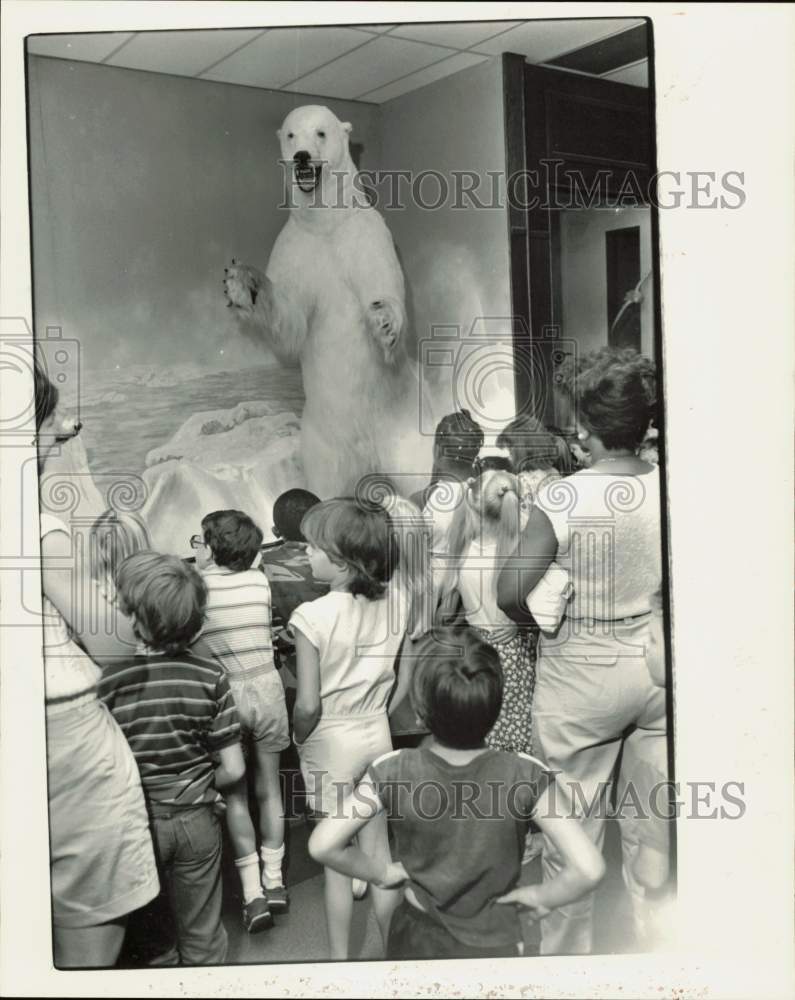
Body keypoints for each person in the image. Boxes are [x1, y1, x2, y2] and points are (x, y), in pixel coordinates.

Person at [497, 346, 666, 955]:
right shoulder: (672, 486)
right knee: (654, 828)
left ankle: (567, 965)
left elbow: (509, 592)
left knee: (571, 827)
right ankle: (659, 949)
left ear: (586, 428)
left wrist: (551, 612)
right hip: (658, 664)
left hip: (580, 671)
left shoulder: (564, 497)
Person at [307, 627, 606, 960]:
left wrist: (382, 873)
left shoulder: (392, 768)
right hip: (496, 940)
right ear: (494, 710)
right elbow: (588, 868)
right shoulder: (525, 773)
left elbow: (323, 844)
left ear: (419, 714)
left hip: (418, 935)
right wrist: (542, 896)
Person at [34, 360, 159, 968]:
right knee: (87, 942)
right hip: (67, 741)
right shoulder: (42, 530)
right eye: (51, 429)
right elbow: (113, 645)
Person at [98, 552, 244, 965]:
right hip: (196, 821)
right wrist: (198, 788)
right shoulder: (210, 677)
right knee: (203, 936)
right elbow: (233, 768)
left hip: (135, 823)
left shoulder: (108, 680)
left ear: (132, 617)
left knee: (153, 942)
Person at [289, 497, 407, 959]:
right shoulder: (398, 599)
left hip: (329, 740)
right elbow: (400, 673)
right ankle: (396, 952)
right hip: (376, 731)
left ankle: (340, 963)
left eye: (312, 547)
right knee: (378, 853)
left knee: (336, 861)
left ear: (340, 561)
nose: (305, 554)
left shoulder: (311, 617)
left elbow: (308, 703)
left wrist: (302, 737)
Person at [191, 510, 290, 933]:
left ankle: (252, 895)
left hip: (226, 694)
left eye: (201, 541)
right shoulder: (260, 581)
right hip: (267, 688)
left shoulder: (199, 587)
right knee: (270, 789)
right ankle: (276, 881)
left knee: (235, 795)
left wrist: (198, 570)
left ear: (211, 548)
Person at [433, 469, 537, 755]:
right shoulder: (522, 553)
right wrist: (522, 625)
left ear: (474, 505)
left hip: (478, 649)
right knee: (518, 733)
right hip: (516, 651)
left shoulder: (462, 550)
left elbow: (445, 612)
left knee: (481, 728)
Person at [260, 488, 325, 677]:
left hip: (295, 664)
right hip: (339, 654)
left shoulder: (265, 565)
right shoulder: (336, 560)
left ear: (275, 531)